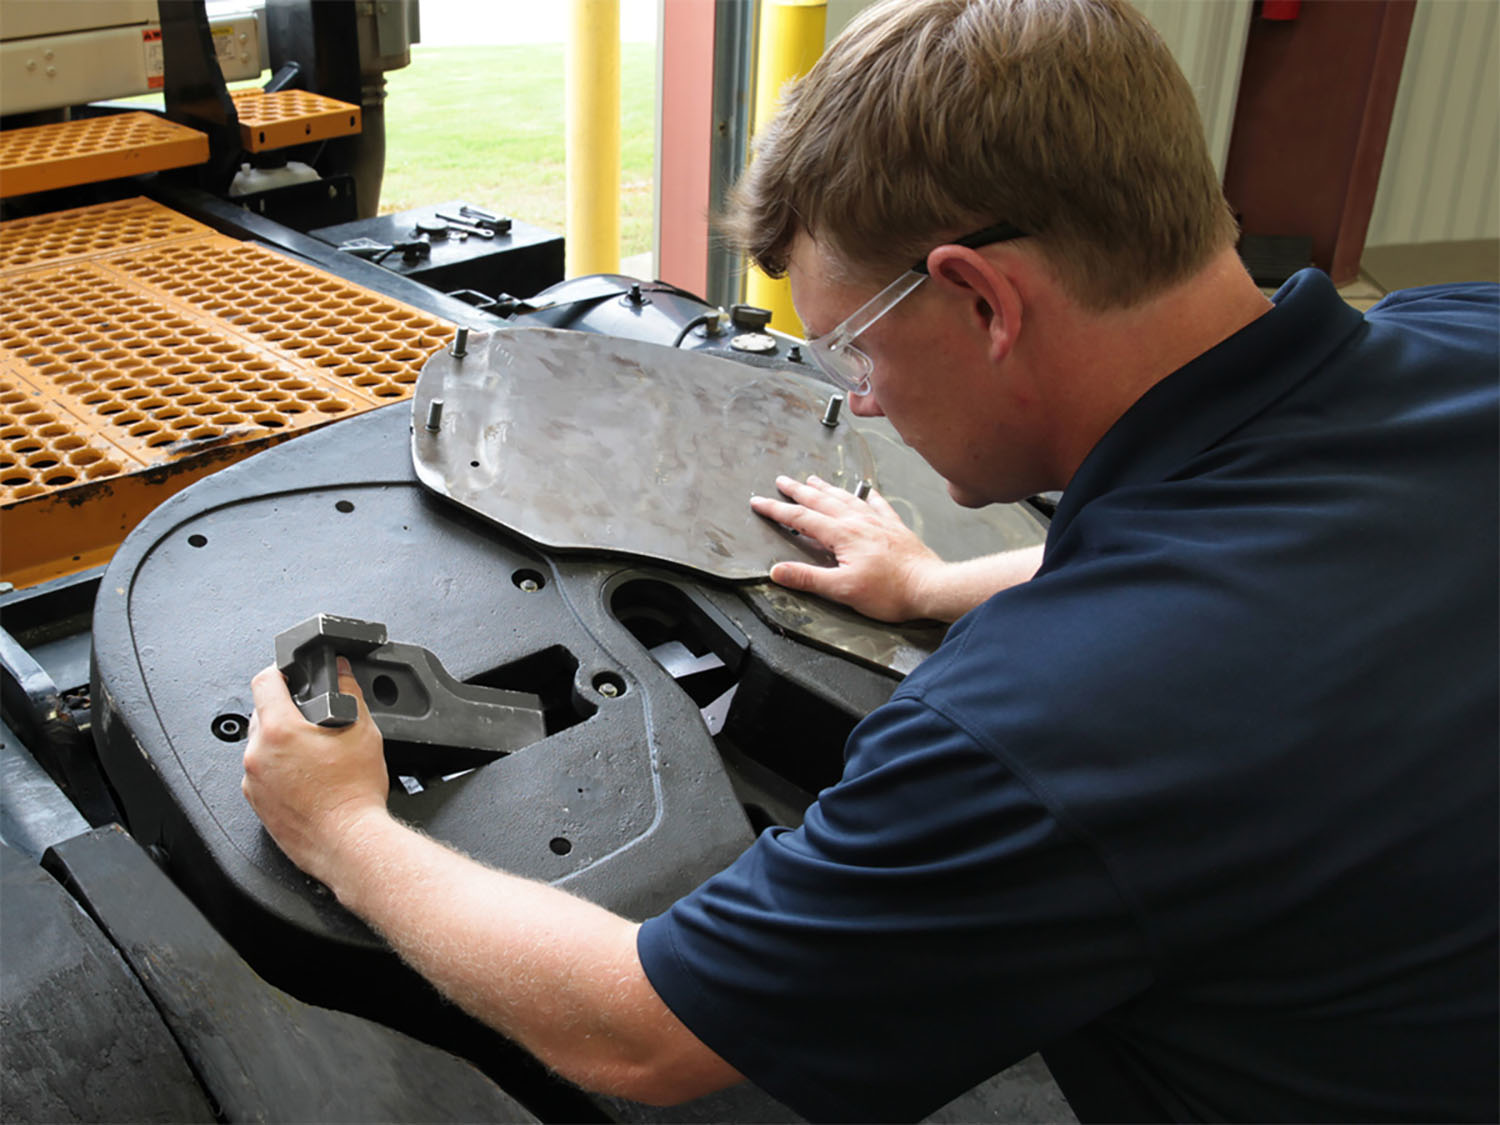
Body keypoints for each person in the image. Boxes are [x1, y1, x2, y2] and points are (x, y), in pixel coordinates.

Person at [243, 0, 1499, 1119]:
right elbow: (1261, 550)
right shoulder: (1458, 336)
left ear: (983, 301)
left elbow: (642, 1034)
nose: (871, 410)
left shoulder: (1046, 729)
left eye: (852, 354)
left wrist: (343, 827)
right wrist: (939, 586)